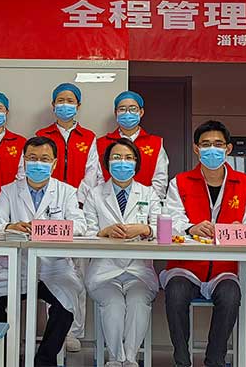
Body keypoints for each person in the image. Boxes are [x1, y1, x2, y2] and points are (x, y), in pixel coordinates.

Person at [161, 120, 246, 367]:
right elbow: (170, 219)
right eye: (205, 144)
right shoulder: (180, 182)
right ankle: (182, 360)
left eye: (217, 144)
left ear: (228, 148)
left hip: (227, 268)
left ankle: (215, 360)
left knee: (231, 295)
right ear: (196, 149)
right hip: (186, 267)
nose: (211, 149)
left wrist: (239, 229)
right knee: (175, 292)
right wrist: (190, 228)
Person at [0, 136, 85, 367]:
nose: (38, 164)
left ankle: (45, 360)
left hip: (54, 268)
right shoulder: (9, 191)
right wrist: (10, 226)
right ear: (24, 161)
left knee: (67, 301)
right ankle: (7, 354)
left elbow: (80, 226)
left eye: (44, 159)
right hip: (18, 267)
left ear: (54, 163)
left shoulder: (66, 191)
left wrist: (46, 228)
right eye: (32, 158)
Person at [84, 138, 161, 367]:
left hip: (139, 271)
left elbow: (165, 229)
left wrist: (146, 229)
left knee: (138, 302)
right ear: (107, 163)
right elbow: (84, 231)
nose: (122, 162)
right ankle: (115, 359)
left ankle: (130, 359)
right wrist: (104, 232)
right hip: (104, 271)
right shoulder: (95, 194)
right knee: (114, 303)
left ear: (136, 162)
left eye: (128, 158)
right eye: (116, 157)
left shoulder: (148, 193)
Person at [33, 82, 96, 350]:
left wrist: (74, 199)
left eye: (70, 101)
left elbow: (92, 173)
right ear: (53, 105)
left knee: (76, 273)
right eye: (60, 100)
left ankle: (74, 331)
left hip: (77, 208)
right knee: (49, 272)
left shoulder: (88, 137)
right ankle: (51, 330)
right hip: (46, 209)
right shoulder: (42, 135)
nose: (65, 105)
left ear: (78, 105)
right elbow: (35, 166)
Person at [81, 90, 169, 203]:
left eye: (133, 109)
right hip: (107, 203)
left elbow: (160, 180)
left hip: (144, 205)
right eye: (122, 109)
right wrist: (104, 202)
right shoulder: (101, 143)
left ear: (141, 112)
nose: (127, 113)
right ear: (116, 112)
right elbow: (96, 178)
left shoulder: (155, 143)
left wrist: (148, 202)